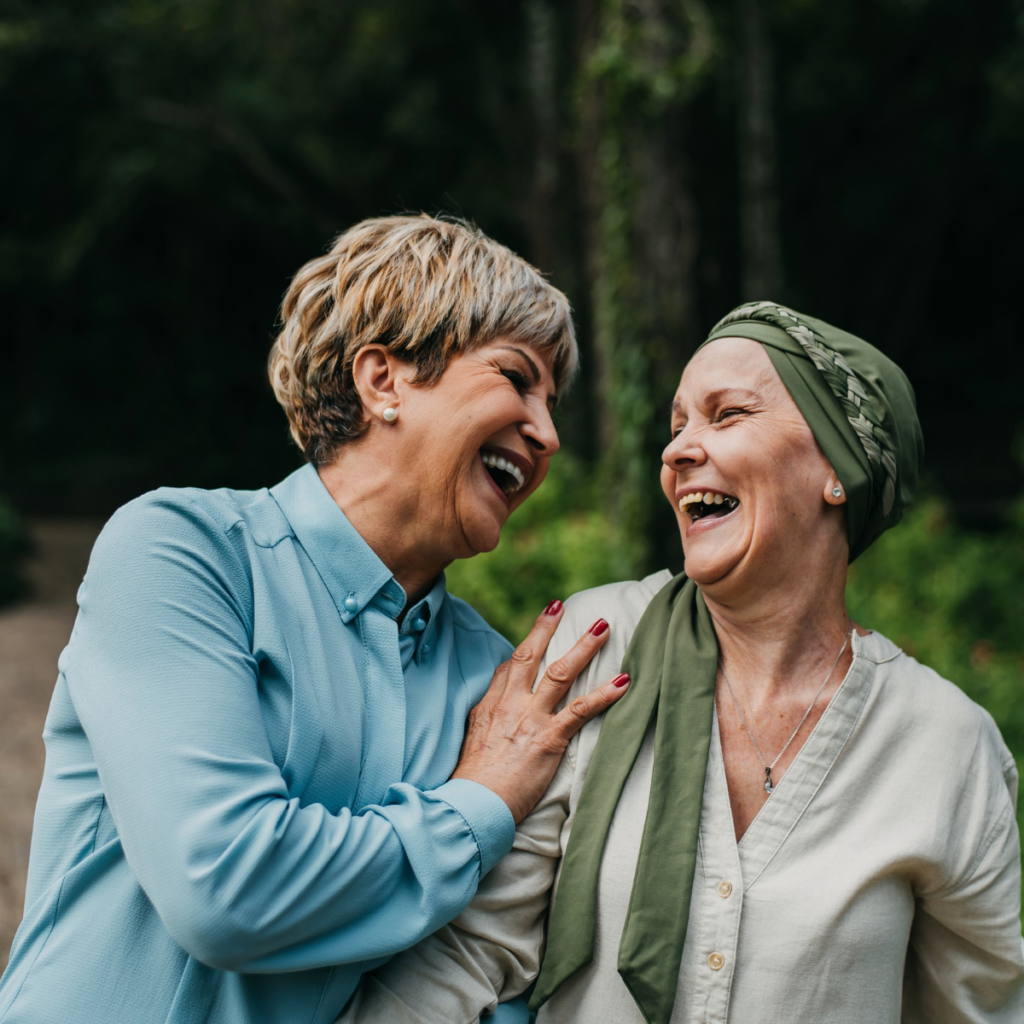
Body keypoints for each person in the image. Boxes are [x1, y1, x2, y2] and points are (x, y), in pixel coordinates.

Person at [0, 215, 633, 1024]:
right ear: (384, 381)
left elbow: (487, 970)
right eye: (515, 378)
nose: (545, 434)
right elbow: (225, 886)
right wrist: (478, 804)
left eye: (553, 404)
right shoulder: (181, 554)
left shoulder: (498, 682)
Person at [341, 301, 1024, 1023]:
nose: (677, 451)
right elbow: (475, 949)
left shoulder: (947, 745)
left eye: (726, 415)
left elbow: (978, 1011)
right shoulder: (595, 645)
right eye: (677, 427)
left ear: (837, 469)